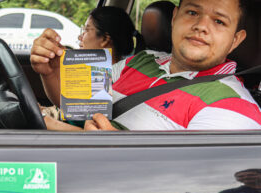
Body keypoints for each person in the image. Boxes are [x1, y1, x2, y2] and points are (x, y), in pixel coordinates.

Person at [31, 0, 261, 131]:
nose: (201, 26)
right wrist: (51, 74)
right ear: (174, 18)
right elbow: (81, 107)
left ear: (235, 40)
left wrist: (115, 150)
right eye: (192, 12)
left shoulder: (234, 108)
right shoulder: (140, 61)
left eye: (219, 21)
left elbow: (190, 188)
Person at [33, 6, 139, 130]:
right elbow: (68, 108)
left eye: (86, 30)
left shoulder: (109, 82)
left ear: (105, 39)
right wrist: (48, 73)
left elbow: (94, 133)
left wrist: (45, 119)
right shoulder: (94, 73)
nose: (80, 37)